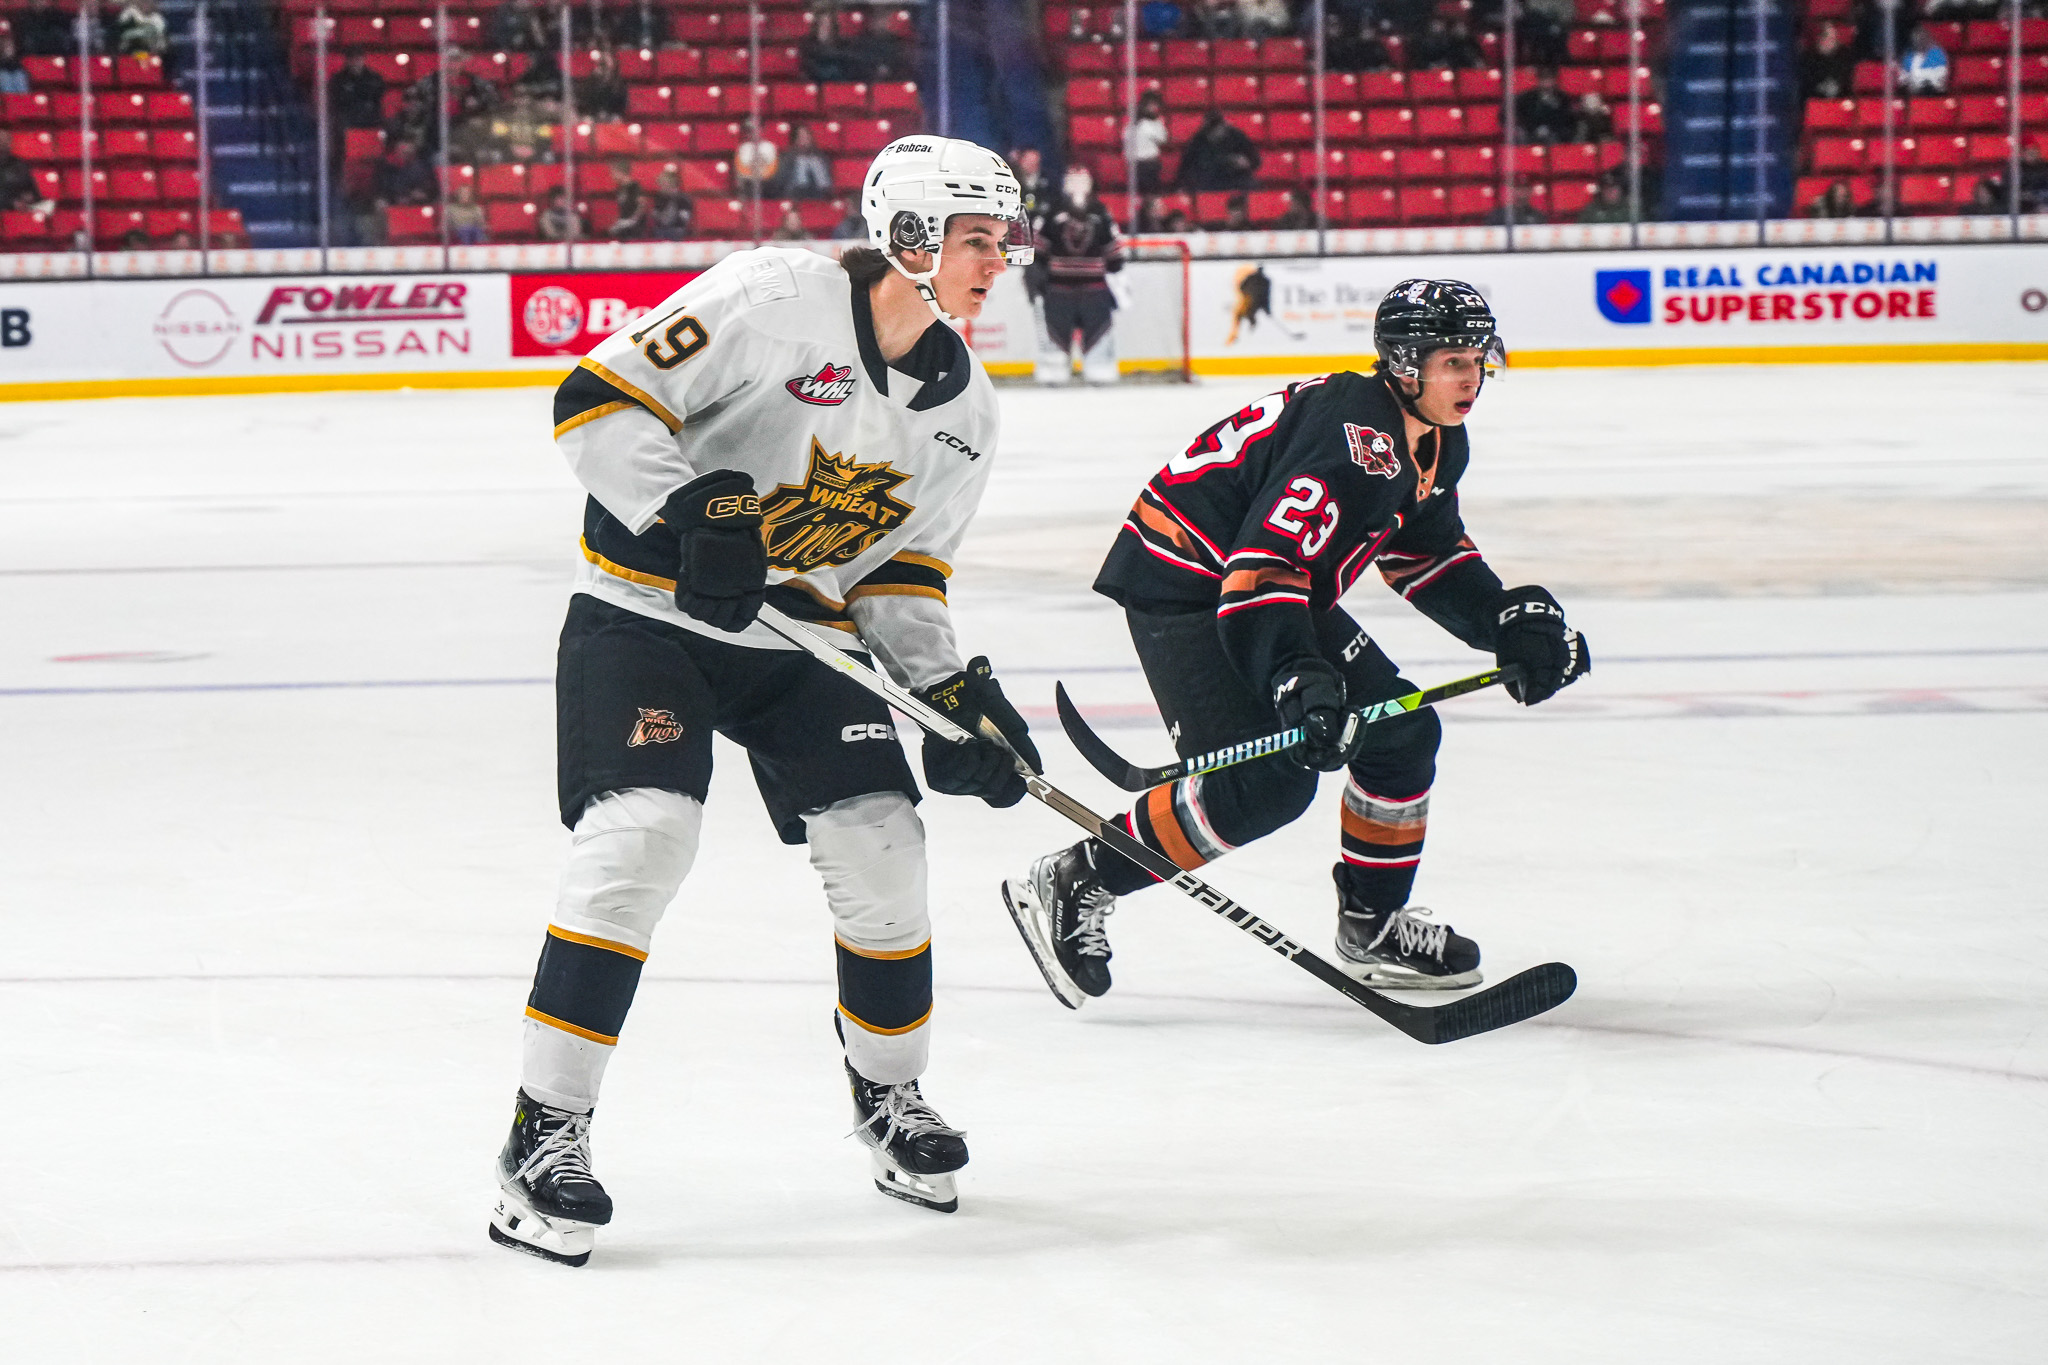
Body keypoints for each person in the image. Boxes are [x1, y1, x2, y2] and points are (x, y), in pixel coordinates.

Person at [490, 135, 1040, 1266]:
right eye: (975, 239)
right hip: (645, 614)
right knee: (641, 838)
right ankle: (543, 1135)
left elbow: (898, 576)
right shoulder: (772, 294)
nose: (998, 262)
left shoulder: (964, 413)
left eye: (1001, 239)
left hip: (801, 645)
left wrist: (947, 693)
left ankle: (890, 1100)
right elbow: (595, 397)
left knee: (885, 843)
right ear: (908, 239)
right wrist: (694, 509)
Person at [1001, 280, 1589, 1008]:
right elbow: (1261, 569)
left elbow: (1424, 554)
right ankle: (1081, 874)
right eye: (1451, 360)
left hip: (1265, 583)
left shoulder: (1433, 438)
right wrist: (1294, 676)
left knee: (1400, 736)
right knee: (1265, 787)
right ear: (1406, 365)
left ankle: (1371, 923)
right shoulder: (1355, 438)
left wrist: (1505, 622)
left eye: (1476, 358)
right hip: (1185, 579)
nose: (1469, 377)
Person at [1031, 164, 1123, 386]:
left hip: (1094, 289)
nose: (1078, 184)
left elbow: (1114, 254)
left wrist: (1116, 270)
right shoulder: (1051, 211)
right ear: (1065, 184)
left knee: (1098, 331)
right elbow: (1038, 251)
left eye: (1083, 180)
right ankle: (1054, 367)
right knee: (1055, 332)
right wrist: (1038, 279)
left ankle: (1099, 366)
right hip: (1058, 288)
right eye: (1073, 179)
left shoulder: (1100, 212)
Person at [1175, 110, 1260, 192]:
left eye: (1216, 129)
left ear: (1223, 126)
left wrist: (1246, 162)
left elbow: (1255, 160)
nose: (1214, 133)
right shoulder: (1198, 140)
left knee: (1252, 187)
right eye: (1210, 131)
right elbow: (1186, 165)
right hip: (1209, 180)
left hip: (1236, 177)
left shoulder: (1237, 136)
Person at [1125, 91, 1169, 196]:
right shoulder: (1148, 124)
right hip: (1147, 165)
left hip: (1136, 165)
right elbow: (1163, 138)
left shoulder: (1132, 124)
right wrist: (1158, 121)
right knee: (1150, 195)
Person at [331, 50, 387, 131]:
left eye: (358, 58)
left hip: (370, 118)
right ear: (347, 60)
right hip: (347, 119)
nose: (355, 62)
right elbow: (337, 100)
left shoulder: (374, 78)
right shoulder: (338, 79)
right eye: (352, 59)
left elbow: (378, 97)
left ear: (363, 59)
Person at [1516, 68, 1574, 144]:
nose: (1547, 83)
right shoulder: (1527, 97)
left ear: (1555, 81)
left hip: (1555, 133)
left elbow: (1566, 119)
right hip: (1531, 132)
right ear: (1539, 81)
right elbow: (1522, 116)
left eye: (1549, 80)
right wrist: (1533, 129)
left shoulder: (1562, 98)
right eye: (1544, 80)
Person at [1802, 21, 1855, 101]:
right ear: (1819, 38)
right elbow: (1806, 83)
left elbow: (1847, 80)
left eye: (1834, 37)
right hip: (1815, 99)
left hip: (1840, 98)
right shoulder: (1807, 58)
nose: (1834, 41)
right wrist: (1822, 88)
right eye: (1829, 37)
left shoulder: (1844, 55)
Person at [781, 123, 834, 198]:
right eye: (801, 136)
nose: (804, 139)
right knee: (801, 162)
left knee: (815, 162)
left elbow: (827, 178)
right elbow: (784, 178)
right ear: (795, 139)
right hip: (795, 193)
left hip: (818, 192)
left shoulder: (820, 156)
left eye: (806, 136)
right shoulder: (787, 156)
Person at [648, 166, 695, 239]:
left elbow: (683, 220)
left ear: (671, 183)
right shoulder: (660, 198)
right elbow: (655, 214)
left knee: (677, 231)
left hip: (676, 230)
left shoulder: (683, 199)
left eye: (662, 184)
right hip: (661, 230)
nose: (660, 186)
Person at [1900, 24, 1949, 95]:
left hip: (1935, 89)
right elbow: (1904, 77)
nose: (1920, 41)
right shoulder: (1909, 55)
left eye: (1923, 38)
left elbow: (1942, 73)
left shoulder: (1937, 53)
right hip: (1915, 91)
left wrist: (1922, 76)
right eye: (1917, 39)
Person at [609, 161, 648, 238]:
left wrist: (632, 220)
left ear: (620, 171)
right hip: (623, 222)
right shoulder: (620, 188)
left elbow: (643, 204)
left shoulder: (635, 187)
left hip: (634, 226)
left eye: (613, 172)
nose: (612, 175)